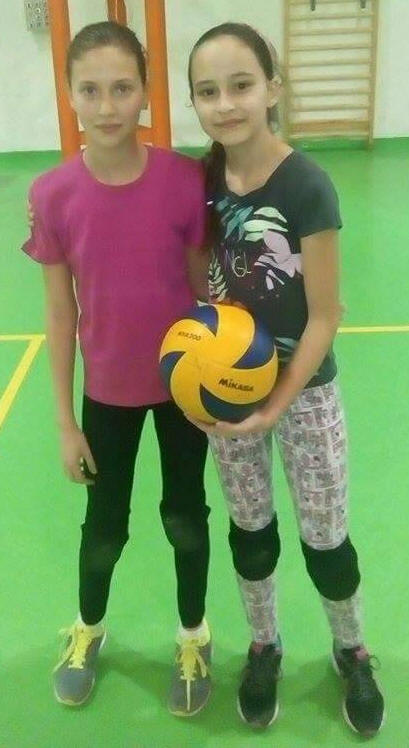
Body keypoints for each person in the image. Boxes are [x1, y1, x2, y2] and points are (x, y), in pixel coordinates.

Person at [187, 22, 385, 736]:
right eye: (207, 91)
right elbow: (192, 279)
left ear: (272, 87)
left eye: (241, 85)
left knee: (326, 539)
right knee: (251, 533)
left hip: (305, 393)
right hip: (227, 394)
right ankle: (264, 645)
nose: (225, 104)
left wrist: (277, 403)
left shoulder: (306, 185)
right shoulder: (199, 183)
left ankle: (350, 649)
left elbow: (326, 314)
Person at [23, 21, 212, 717]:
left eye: (122, 88)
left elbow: (204, 293)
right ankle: (88, 629)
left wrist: (226, 382)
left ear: (145, 91)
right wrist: (65, 423)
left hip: (184, 390)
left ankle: (193, 637)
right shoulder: (53, 193)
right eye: (91, 90)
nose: (107, 107)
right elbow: (60, 314)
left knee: (185, 518)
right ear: (70, 94)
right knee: (104, 529)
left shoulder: (184, 180)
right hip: (106, 394)